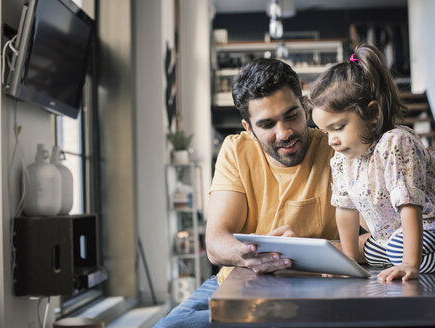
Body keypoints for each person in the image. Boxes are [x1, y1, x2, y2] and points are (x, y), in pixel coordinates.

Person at [155, 58, 370, 328]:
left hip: (319, 285)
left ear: (305, 106)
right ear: (249, 128)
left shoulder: (338, 149)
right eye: (267, 124)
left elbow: (385, 239)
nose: (284, 133)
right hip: (239, 281)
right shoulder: (235, 150)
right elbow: (216, 242)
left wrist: (307, 254)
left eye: (291, 115)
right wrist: (256, 253)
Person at [309, 43, 435, 283]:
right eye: (325, 132)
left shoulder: (395, 143)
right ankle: (406, 253)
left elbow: (410, 206)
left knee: (398, 250)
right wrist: (349, 259)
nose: (332, 140)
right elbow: (345, 209)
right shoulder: (342, 158)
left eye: (338, 128)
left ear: (372, 114)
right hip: (404, 235)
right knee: (372, 251)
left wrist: (409, 264)